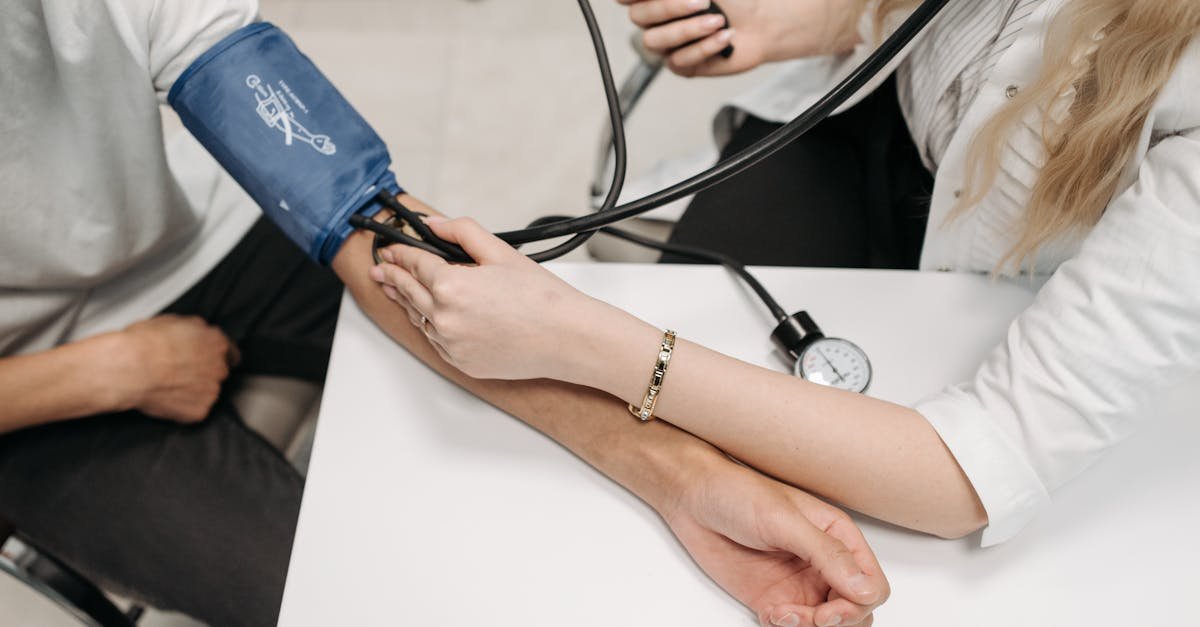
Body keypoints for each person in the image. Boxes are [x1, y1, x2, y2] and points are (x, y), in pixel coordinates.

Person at [0, 2, 890, 626]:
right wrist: (108, 370)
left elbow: (362, 219)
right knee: (355, 604)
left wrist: (682, 476)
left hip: (203, 232)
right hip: (35, 391)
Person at [368, 0, 1200, 574]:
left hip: (982, 294)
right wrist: (818, 21)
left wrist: (573, 333)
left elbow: (973, 472)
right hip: (859, 139)